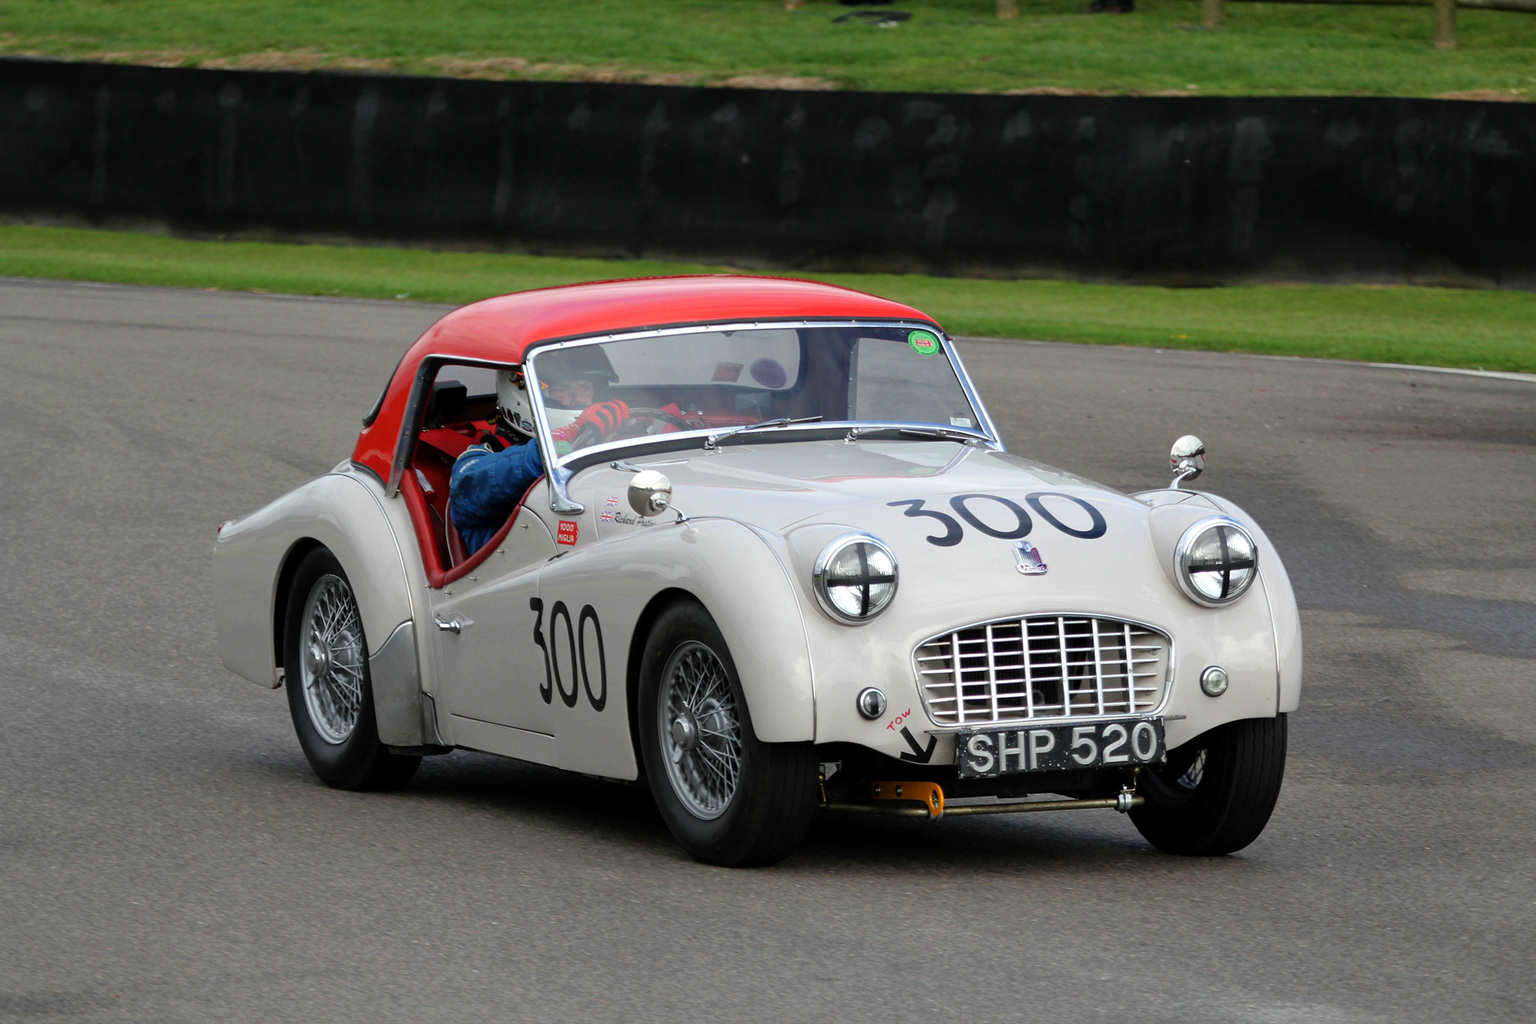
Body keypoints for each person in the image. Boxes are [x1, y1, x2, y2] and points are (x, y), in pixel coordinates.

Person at [448, 352, 629, 554]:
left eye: (586, 387)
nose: (579, 398)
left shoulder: (603, 444)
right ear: (522, 394)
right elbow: (468, 491)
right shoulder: (478, 460)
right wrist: (556, 446)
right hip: (516, 575)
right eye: (563, 389)